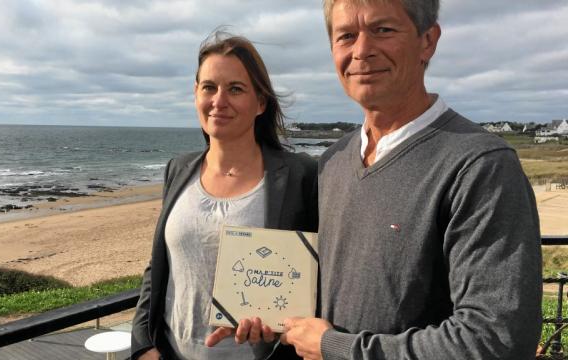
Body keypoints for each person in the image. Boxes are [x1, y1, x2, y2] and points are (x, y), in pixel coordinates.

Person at [278, 0, 542, 359]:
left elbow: (496, 341)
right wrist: (274, 317)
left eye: (382, 30)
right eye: (346, 36)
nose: (361, 51)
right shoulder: (331, 163)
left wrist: (335, 348)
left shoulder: (481, 165)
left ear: (428, 40)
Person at [130, 31, 318, 360]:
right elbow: (159, 266)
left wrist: (280, 326)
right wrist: (144, 344)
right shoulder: (178, 169)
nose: (219, 101)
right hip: (172, 352)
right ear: (195, 94)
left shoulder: (300, 176)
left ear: (260, 102)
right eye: (209, 87)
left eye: (235, 89)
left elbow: (316, 277)